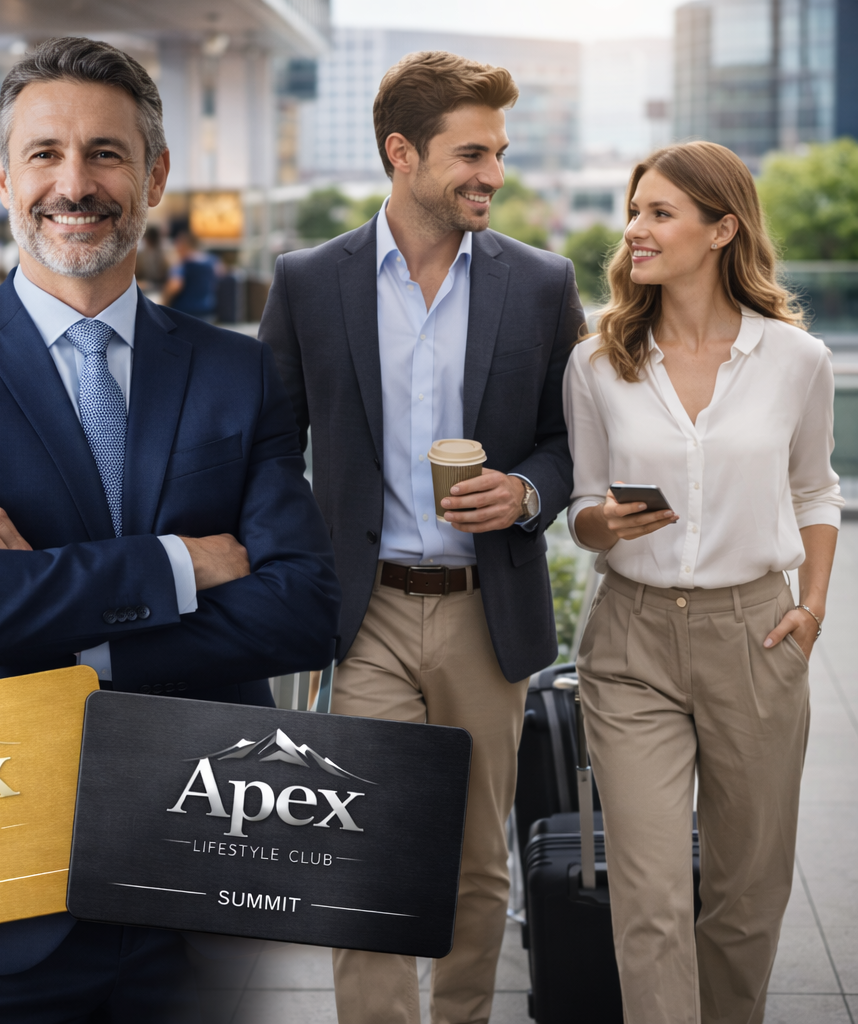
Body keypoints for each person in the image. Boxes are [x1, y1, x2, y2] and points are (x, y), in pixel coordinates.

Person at [0, 36, 339, 1023]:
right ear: (4, 177)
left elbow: (303, 610)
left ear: (155, 176)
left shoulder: (238, 372)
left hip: (203, 860)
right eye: (45, 154)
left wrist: (47, 600)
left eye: (106, 154)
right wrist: (177, 565)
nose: (74, 185)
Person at [259, 51, 585, 1023]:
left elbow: (573, 439)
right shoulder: (310, 281)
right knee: (365, 853)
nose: (493, 174)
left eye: (499, 153)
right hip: (366, 618)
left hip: (488, 615)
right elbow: (270, 446)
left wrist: (525, 491)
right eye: (473, 154)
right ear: (402, 153)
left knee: (479, 861)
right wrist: (294, 565)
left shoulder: (541, 282)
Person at [565, 141, 841, 1023]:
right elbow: (581, 505)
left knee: (747, 895)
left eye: (660, 213)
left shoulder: (795, 359)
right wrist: (605, 523)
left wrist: (812, 607)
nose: (634, 231)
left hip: (754, 636)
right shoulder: (598, 360)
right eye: (633, 212)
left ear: (722, 230)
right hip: (631, 642)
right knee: (648, 898)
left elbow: (816, 490)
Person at [160, 225, 218, 320]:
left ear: (182, 245)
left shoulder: (181, 265)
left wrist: (162, 305)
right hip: (207, 310)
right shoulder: (212, 261)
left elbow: (174, 286)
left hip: (185, 313)